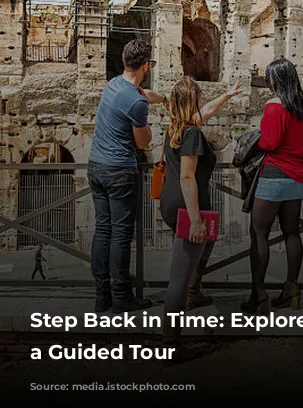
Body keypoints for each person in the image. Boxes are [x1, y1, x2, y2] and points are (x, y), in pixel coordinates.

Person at [160, 76, 242, 357]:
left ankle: (194, 293)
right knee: (179, 278)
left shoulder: (178, 127)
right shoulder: (193, 134)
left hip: (172, 202)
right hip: (185, 206)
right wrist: (195, 219)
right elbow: (187, 176)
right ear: (192, 101)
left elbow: (204, 114)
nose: (204, 103)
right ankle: (170, 345)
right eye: (200, 98)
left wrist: (227, 96)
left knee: (197, 254)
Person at [88, 38, 167, 313]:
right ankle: (122, 296)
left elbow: (138, 96)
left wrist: (159, 98)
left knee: (103, 231)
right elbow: (143, 142)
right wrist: (148, 117)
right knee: (121, 234)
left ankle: (102, 296)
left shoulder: (113, 85)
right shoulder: (136, 103)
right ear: (146, 66)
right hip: (119, 170)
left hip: (95, 166)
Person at [242, 58, 303, 314]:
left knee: (259, 234)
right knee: (292, 233)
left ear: (275, 81)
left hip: (274, 175)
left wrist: (253, 140)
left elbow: (270, 143)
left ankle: (258, 294)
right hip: (298, 176)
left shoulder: (275, 106)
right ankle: (291, 288)